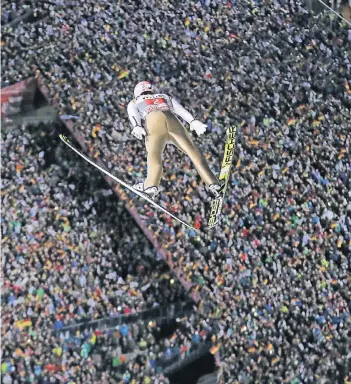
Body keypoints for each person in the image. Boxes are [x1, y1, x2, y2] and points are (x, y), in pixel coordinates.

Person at [127, 81, 222, 199]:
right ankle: (213, 183)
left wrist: (137, 126)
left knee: (154, 155)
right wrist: (192, 121)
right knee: (193, 151)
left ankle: (151, 185)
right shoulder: (163, 96)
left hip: (153, 121)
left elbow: (132, 112)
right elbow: (180, 110)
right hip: (173, 121)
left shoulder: (135, 101)